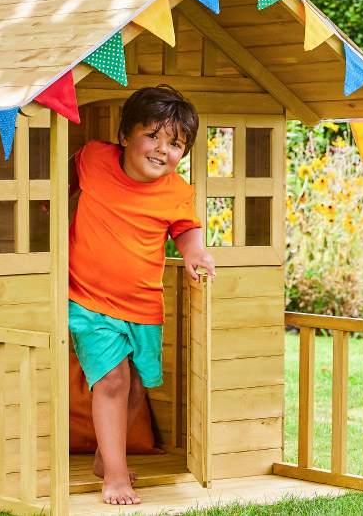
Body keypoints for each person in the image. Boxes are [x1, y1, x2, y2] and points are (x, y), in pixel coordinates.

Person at [69, 85, 215, 505]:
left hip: (144, 307)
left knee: (136, 387)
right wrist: (53, 201)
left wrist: (194, 254)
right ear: (125, 135)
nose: (161, 149)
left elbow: (186, 230)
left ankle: (104, 457)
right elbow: (69, 172)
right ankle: (115, 476)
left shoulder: (176, 192)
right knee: (112, 381)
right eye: (152, 135)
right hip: (87, 300)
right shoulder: (95, 157)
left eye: (175, 144)